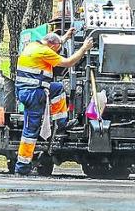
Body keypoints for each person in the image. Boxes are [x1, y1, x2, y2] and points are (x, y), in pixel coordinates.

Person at [12, 29, 94, 175]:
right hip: (33, 93)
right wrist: (84, 48)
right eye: (57, 50)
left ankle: (60, 122)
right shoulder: (45, 52)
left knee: (58, 88)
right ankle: (22, 167)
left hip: (28, 90)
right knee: (31, 131)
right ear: (51, 46)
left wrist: (66, 37)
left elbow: (55, 42)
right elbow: (68, 62)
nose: (57, 53)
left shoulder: (33, 46)